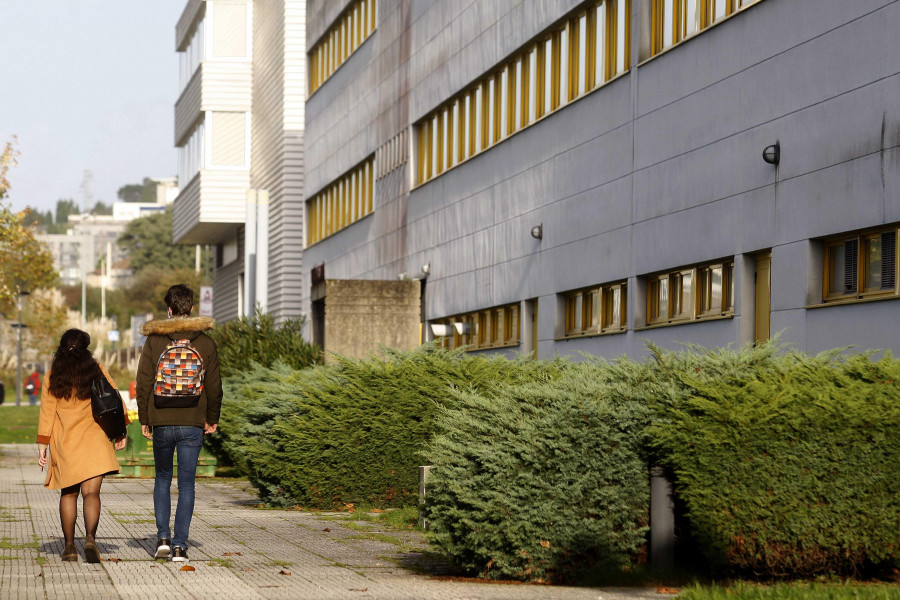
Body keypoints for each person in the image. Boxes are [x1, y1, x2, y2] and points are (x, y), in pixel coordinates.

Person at [135, 284, 222, 562]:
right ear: (192, 308)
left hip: (161, 418)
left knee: (162, 479)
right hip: (192, 422)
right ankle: (180, 546)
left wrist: (145, 419)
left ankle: (162, 539)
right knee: (186, 484)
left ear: (169, 309)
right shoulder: (206, 342)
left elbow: (143, 382)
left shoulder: (154, 341)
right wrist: (212, 418)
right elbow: (215, 387)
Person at [36, 329, 128, 563]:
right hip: (94, 440)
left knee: (69, 493)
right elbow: (114, 398)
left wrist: (42, 445)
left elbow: (47, 413)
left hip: (66, 442)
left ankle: (68, 547)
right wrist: (120, 430)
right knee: (91, 493)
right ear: (86, 349)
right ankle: (89, 539)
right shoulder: (96, 371)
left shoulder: (52, 376)